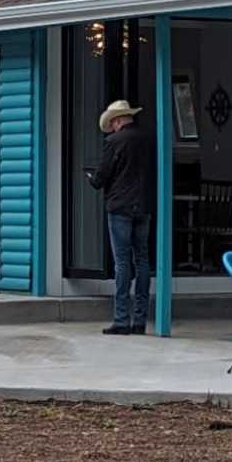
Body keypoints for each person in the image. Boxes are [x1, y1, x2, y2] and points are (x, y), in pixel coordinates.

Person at [83, 97, 154, 334]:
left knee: (122, 263)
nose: (111, 128)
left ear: (117, 121)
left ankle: (122, 320)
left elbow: (102, 177)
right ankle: (140, 320)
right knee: (142, 260)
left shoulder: (113, 141)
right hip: (144, 206)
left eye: (112, 123)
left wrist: (92, 178)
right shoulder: (147, 138)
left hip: (120, 207)